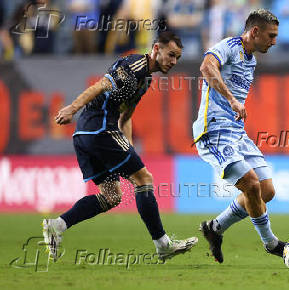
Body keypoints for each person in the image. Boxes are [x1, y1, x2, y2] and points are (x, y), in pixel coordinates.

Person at [43, 31, 198, 261]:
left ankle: (57, 225)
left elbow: (126, 117)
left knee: (112, 196)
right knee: (144, 179)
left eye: (177, 58)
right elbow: (100, 85)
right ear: (156, 48)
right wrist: (71, 109)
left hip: (86, 134)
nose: (173, 62)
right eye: (171, 55)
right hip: (99, 129)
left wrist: (130, 148)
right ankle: (163, 245)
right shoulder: (135, 67)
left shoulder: (145, 79)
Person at [193, 9, 284, 263]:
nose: (274, 41)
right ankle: (271, 243)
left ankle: (215, 228)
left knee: (266, 190)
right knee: (251, 185)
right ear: (255, 31)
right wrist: (232, 100)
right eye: (271, 35)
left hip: (236, 134)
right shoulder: (229, 47)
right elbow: (206, 66)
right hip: (213, 131)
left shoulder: (251, 59)